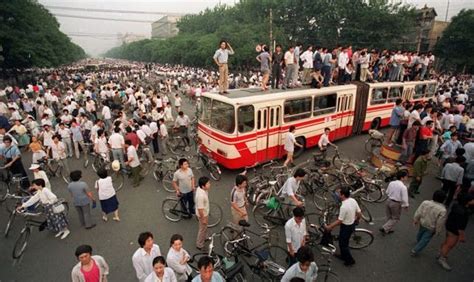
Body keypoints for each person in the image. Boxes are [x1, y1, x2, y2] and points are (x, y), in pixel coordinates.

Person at [325, 186, 361, 266]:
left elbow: (339, 221)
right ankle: (343, 255)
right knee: (344, 241)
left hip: (346, 227)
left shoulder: (343, 207)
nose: (338, 195)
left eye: (339, 193)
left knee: (343, 244)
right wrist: (357, 219)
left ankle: (350, 260)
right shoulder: (353, 200)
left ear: (343, 195)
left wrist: (330, 226)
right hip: (352, 224)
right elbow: (359, 212)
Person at [438, 193, 473, 271]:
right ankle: (442, 258)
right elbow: (461, 226)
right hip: (455, 230)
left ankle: (441, 253)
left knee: (446, 242)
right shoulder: (464, 211)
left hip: (449, 226)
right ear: (467, 201)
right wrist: (462, 236)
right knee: (449, 245)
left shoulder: (456, 206)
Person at [411, 190, 447, 256]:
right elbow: (440, 222)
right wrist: (438, 231)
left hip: (423, 223)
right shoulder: (442, 210)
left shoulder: (425, 203)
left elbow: (419, 211)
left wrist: (415, 219)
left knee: (420, 233)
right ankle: (415, 250)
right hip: (431, 227)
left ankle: (418, 241)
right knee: (425, 239)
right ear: (443, 199)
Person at [380, 170, 409, 235]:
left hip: (388, 200)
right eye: (406, 177)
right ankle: (385, 228)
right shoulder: (403, 187)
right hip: (396, 204)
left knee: (389, 216)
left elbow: (387, 192)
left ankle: (387, 229)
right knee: (395, 218)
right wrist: (406, 206)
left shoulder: (392, 183)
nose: (407, 178)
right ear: (402, 178)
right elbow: (405, 198)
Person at [195, 176, 211, 251]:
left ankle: (205, 237)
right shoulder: (201, 196)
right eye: (208, 184)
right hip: (203, 215)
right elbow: (200, 209)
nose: (209, 184)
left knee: (204, 227)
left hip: (204, 212)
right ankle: (199, 244)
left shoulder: (202, 190)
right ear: (203, 186)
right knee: (202, 229)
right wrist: (203, 218)